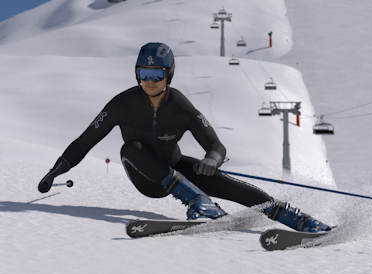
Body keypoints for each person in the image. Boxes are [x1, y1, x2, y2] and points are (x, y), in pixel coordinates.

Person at [38, 42, 332, 232]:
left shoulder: (179, 105)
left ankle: (297, 219)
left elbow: (215, 144)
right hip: (147, 177)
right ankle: (200, 203)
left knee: (231, 186)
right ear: (136, 73)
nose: (149, 81)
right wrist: (55, 171)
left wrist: (212, 160)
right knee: (130, 148)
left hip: (177, 170)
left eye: (157, 74)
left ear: (169, 74)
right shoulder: (122, 104)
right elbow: (85, 141)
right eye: (143, 73)